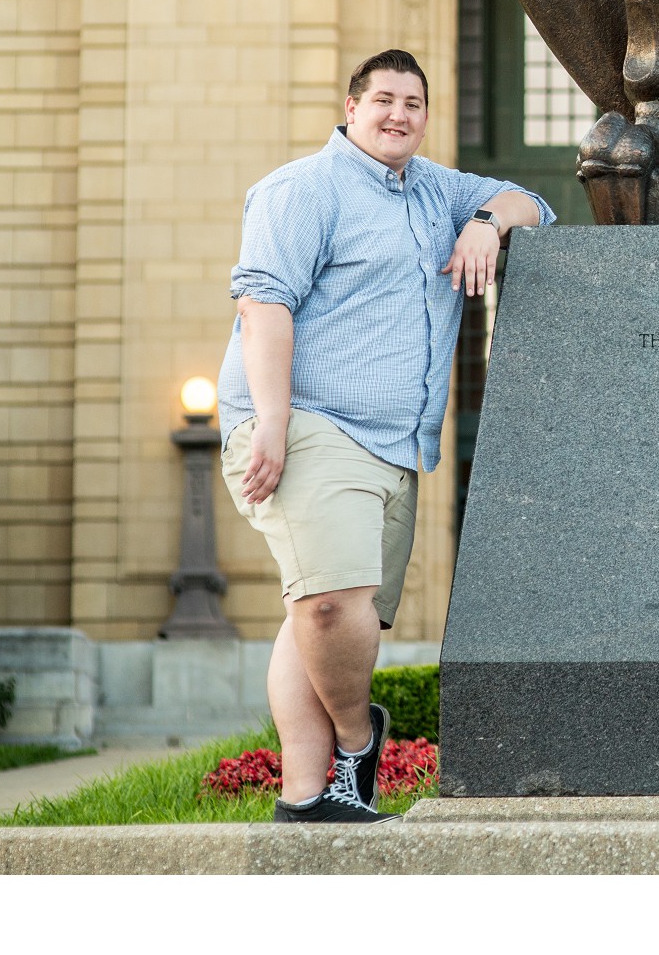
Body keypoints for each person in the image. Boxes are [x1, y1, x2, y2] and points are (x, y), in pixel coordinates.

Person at [216, 48, 553, 822]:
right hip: (305, 421)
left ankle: (308, 796)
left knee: (312, 610)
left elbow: (534, 201)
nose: (399, 114)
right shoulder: (303, 188)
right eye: (383, 100)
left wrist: (485, 222)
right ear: (351, 106)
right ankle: (358, 736)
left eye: (413, 102)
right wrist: (270, 423)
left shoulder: (440, 189)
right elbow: (263, 304)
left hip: (397, 447)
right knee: (332, 607)